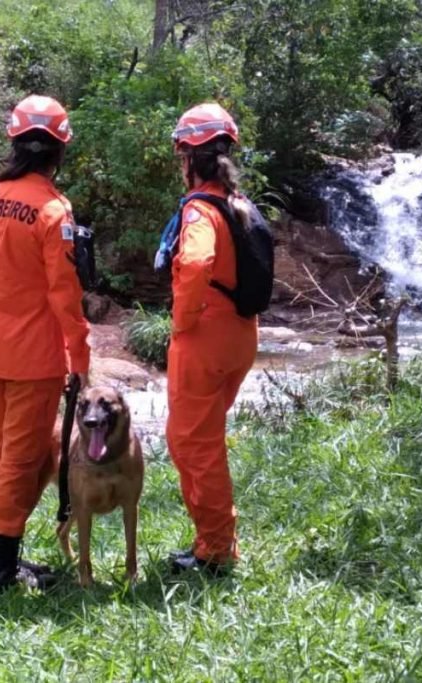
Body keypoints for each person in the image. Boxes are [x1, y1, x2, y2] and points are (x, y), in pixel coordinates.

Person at [0, 95, 90, 590]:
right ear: (59, 150)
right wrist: (80, 357)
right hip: (34, 358)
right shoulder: (54, 211)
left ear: (14, 141)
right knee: (21, 460)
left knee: (1, 454)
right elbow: (65, 293)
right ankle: (0, 573)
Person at [165, 103, 258, 576]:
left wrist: (181, 321)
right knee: (205, 439)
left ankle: (216, 550)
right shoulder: (238, 204)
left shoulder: (201, 211)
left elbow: (198, 264)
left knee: (193, 444)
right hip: (241, 335)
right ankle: (215, 541)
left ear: (188, 157)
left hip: (205, 336)